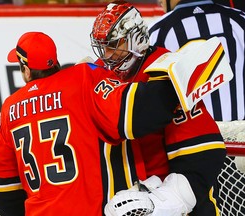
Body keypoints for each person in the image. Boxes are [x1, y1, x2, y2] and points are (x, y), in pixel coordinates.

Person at [0, 31, 181, 216]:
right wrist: (174, 80)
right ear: (54, 61)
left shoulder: (11, 107)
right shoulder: (83, 78)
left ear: (26, 71)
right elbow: (141, 110)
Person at [90, 1, 226, 215]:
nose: (107, 54)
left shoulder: (166, 71)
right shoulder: (99, 71)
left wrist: (165, 201)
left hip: (171, 201)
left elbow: (204, 153)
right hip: (126, 194)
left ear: (136, 39)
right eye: (104, 46)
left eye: (114, 44)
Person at [148, 0, 245, 122]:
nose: (158, 1)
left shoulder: (156, 31)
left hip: (195, 139)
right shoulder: (241, 20)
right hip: (242, 137)